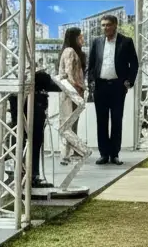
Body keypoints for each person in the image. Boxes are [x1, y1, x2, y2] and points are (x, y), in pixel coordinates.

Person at [87, 14, 139, 166]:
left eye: (108, 25)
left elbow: (134, 64)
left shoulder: (126, 41)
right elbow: (91, 65)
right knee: (101, 121)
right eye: (103, 25)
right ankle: (103, 154)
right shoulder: (96, 42)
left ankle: (114, 154)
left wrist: (129, 82)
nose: (105, 28)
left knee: (117, 121)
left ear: (115, 25)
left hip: (118, 87)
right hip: (100, 87)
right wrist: (91, 81)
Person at [58, 27, 87, 165]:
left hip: (73, 92)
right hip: (71, 93)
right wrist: (79, 87)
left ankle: (71, 152)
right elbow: (70, 74)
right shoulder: (69, 51)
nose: (82, 39)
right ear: (74, 38)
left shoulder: (72, 51)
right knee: (68, 123)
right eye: (80, 37)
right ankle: (66, 154)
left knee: (71, 123)